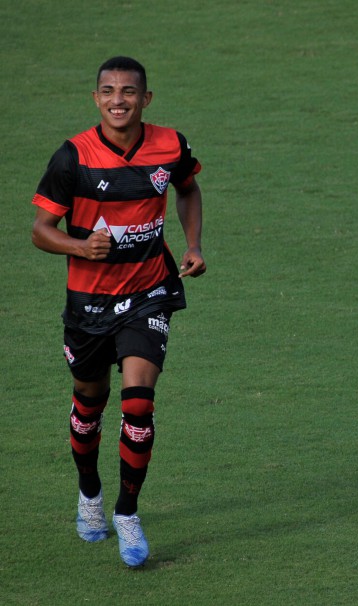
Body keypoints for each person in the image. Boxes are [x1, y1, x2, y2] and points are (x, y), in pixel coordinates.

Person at [30, 56, 206, 568]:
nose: (118, 100)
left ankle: (128, 512)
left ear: (145, 99)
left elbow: (189, 188)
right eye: (108, 91)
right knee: (90, 404)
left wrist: (193, 244)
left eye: (128, 92)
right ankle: (91, 495)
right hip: (87, 305)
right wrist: (81, 248)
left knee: (138, 404)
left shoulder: (170, 145)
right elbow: (40, 230)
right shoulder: (73, 157)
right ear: (95, 99)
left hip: (149, 292)